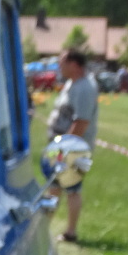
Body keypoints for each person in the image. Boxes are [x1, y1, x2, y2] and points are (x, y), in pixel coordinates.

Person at [42, 47, 98, 244]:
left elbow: (82, 121)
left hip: (73, 148)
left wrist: (66, 148)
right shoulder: (71, 84)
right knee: (55, 187)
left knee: (71, 189)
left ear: (74, 64)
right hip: (62, 146)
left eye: (62, 61)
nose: (59, 65)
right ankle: (44, 228)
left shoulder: (85, 88)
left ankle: (70, 232)